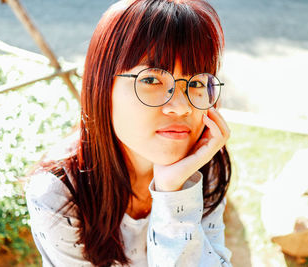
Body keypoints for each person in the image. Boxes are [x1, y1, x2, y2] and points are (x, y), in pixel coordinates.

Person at [25, 0, 232, 266]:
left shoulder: (204, 165)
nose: (182, 107)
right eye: (151, 79)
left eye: (197, 83)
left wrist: (174, 192)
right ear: (101, 85)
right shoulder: (59, 194)